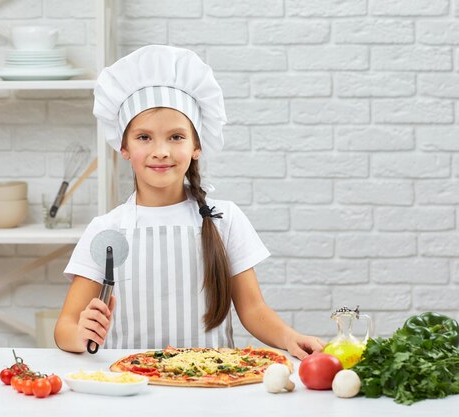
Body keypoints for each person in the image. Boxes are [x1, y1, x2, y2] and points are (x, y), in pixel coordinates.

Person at [54, 45, 324, 359]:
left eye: (176, 137)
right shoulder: (107, 229)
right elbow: (65, 327)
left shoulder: (226, 219)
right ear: (123, 147)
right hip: (129, 386)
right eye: (144, 137)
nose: (161, 151)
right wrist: (81, 333)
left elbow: (253, 309)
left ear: (197, 145)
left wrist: (290, 338)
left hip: (213, 384)